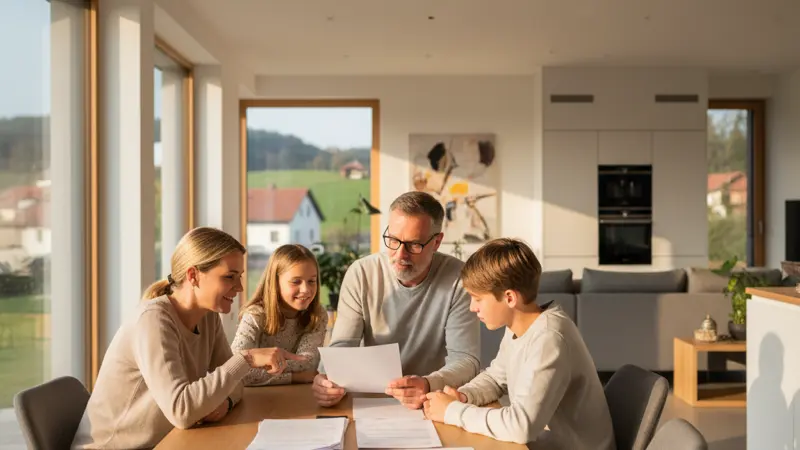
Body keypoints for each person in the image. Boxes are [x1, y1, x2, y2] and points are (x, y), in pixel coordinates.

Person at [72, 227, 303, 449]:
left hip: (165, 442)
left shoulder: (208, 317)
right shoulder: (153, 320)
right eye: (230, 277)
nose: (240, 287)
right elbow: (182, 411)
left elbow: (235, 385)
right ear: (193, 276)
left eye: (240, 276)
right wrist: (247, 359)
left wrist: (225, 403)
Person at [423, 238, 616, 450]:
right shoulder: (521, 327)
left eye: (477, 298)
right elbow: (496, 378)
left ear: (509, 298)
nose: (472, 307)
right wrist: (462, 395)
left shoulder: (548, 339)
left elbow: (521, 426)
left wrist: (452, 412)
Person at [312, 191, 480, 409]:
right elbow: (344, 344)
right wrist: (327, 377)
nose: (400, 254)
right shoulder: (362, 273)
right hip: (369, 400)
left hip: (431, 401)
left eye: (414, 245)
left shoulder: (459, 279)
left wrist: (428, 384)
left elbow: (466, 359)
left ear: (437, 242)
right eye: (392, 240)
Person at [231, 244, 327, 386]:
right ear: (275, 282)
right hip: (256, 400)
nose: (306, 289)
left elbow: (308, 364)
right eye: (296, 282)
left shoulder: (317, 315)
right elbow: (235, 371)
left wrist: (260, 366)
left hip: (298, 397)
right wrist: (295, 377)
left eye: (312, 281)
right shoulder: (255, 315)